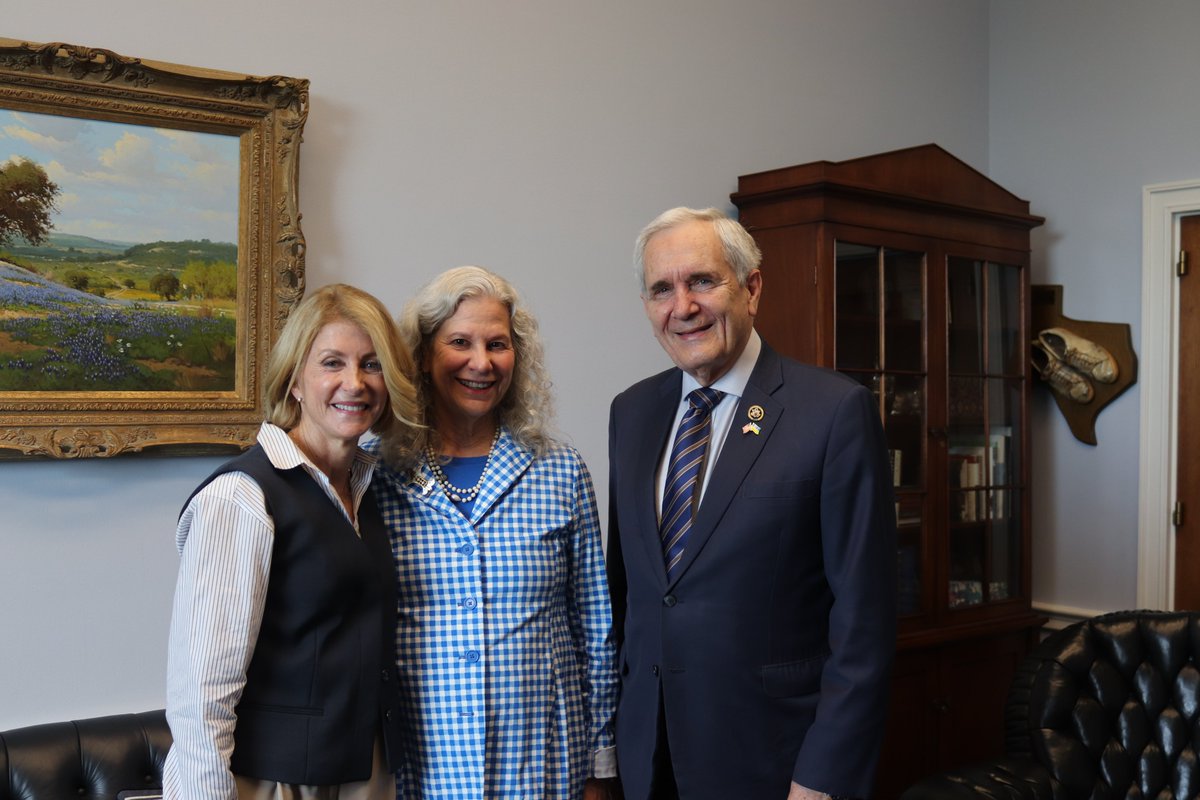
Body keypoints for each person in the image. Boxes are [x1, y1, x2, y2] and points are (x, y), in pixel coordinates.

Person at [606, 208, 897, 800]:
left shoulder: (833, 412)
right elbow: (630, 592)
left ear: (752, 287)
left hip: (775, 764)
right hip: (650, 758)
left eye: (703, 281)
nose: (682, 306)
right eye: (662, 289)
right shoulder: (630, 412)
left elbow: (864, 623)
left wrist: (823, 778)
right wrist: (612, 753)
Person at [370, 265, 619, 800]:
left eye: (498, 344)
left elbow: (595, 628)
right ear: (422, 355)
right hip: (419, 763)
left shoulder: (560, 469)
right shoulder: (376, 474)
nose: (481, 363)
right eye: (459, 342)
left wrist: (601, 766)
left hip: (544, 762)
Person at [162, 283, 419, 800]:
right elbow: (201, 689)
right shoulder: (242, 496)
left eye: (371, 365)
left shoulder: (370, 489)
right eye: (332, 363)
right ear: (295, 381)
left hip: (365, 774)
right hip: (276, 781)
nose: (355, 383)